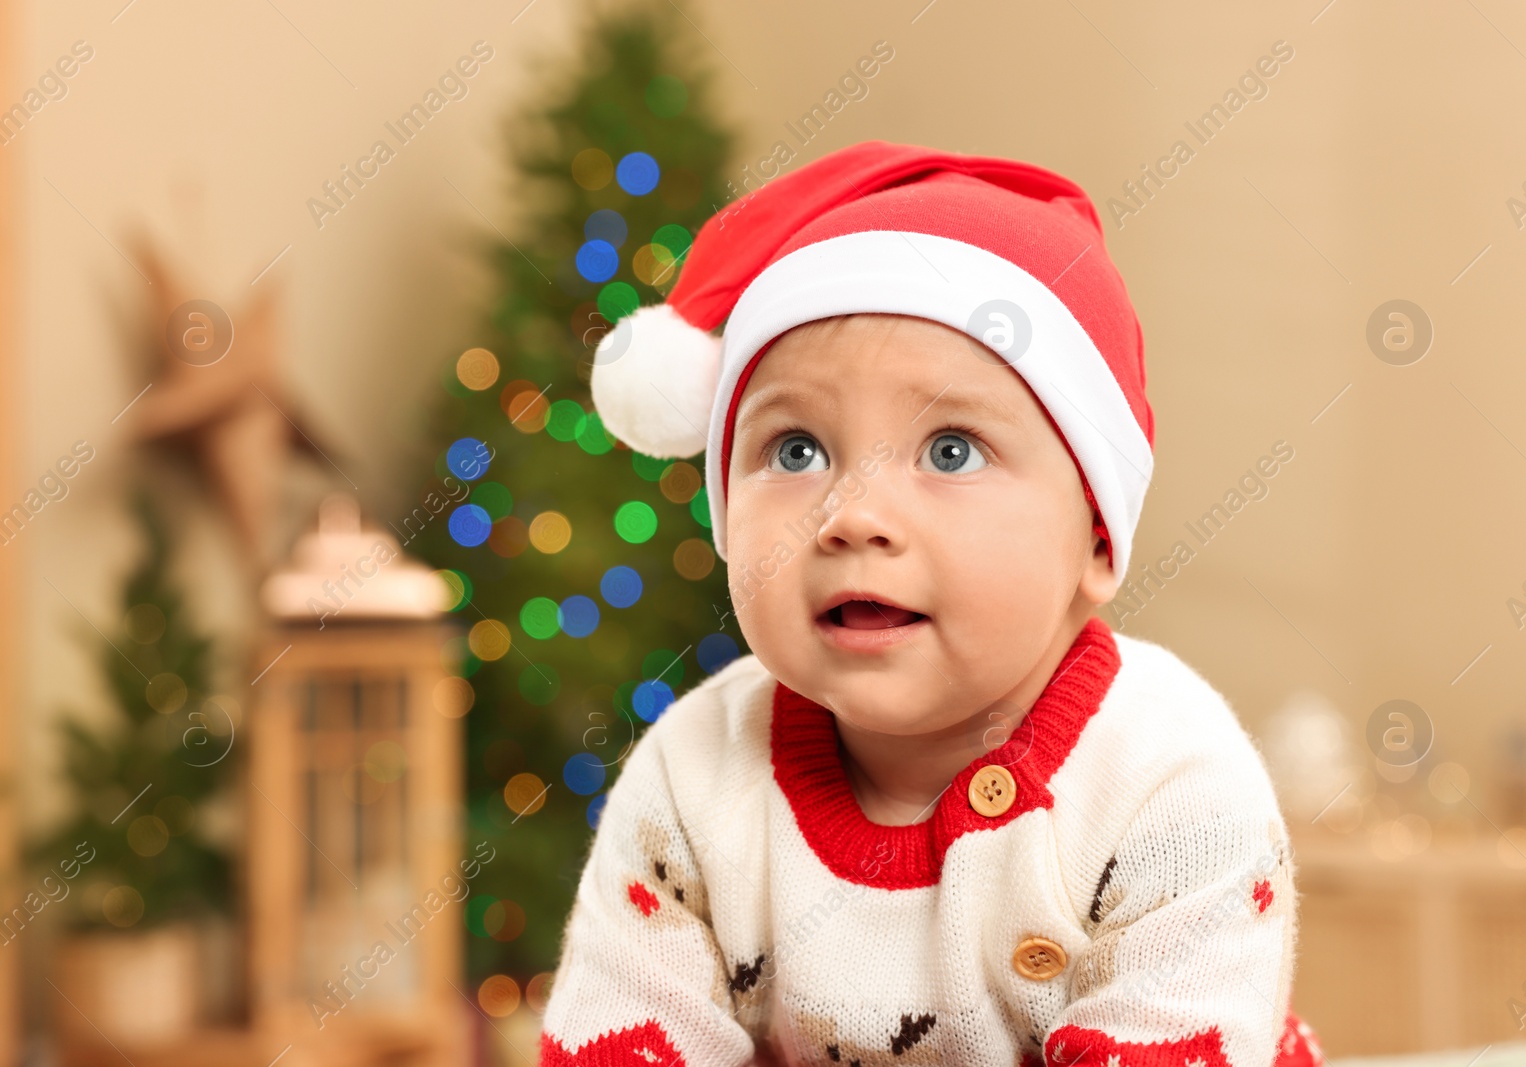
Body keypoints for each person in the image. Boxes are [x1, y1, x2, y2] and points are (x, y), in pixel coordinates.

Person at [537, 141, 1323, 1067]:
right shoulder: (692, 776)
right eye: (794, 451)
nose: (852, 516)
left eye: (951, 450)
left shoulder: (1168, 779)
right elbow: (620, 1039)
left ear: (1098, 537)